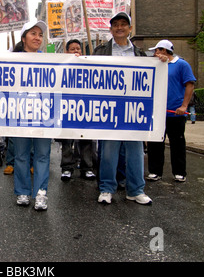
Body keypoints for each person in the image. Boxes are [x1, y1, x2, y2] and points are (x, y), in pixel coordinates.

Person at [93, 12, 152, 205]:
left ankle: (135, 190)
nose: (119, 27)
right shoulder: (100, 51)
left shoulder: (141, 54)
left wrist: (160, 61)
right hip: (109, 110)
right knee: (108, 151)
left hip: (133, 111)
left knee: (135, 151)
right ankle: (107, 189)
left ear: (130, 29)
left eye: (123, 24)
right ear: (110, 29)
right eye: (115, 24)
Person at [11, 20, 51, 211]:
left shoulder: (50, 59)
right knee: (21, 155)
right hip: (19, 114)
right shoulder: (11, 58)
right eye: (33, 33)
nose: (38, 38)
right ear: (24, 38)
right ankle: (23, 192)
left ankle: (41, 193)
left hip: (44, 114)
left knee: (43, 155)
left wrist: (75, 58)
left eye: (40, 34)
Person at [146, 40, 196, 183]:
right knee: (155, 143)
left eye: (157, 50)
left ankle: (179, 172)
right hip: (157, 112)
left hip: (175, 112)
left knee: (177, 143)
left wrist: (184, 106)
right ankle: (155, 171)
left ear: (165, 50)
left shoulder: (181, 65)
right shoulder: (157, 65)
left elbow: (189, 85)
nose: (155, 54)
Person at [60, 40, 97, 181]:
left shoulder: (88, 65)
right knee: (67, 141)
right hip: (67, 109)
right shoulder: (61, 66)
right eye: (72, 49)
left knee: (86, 140)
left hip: (84, 108)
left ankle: (87, 168)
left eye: (78, 48)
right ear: (66, 51)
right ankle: (67, 168)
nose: (75, 51)